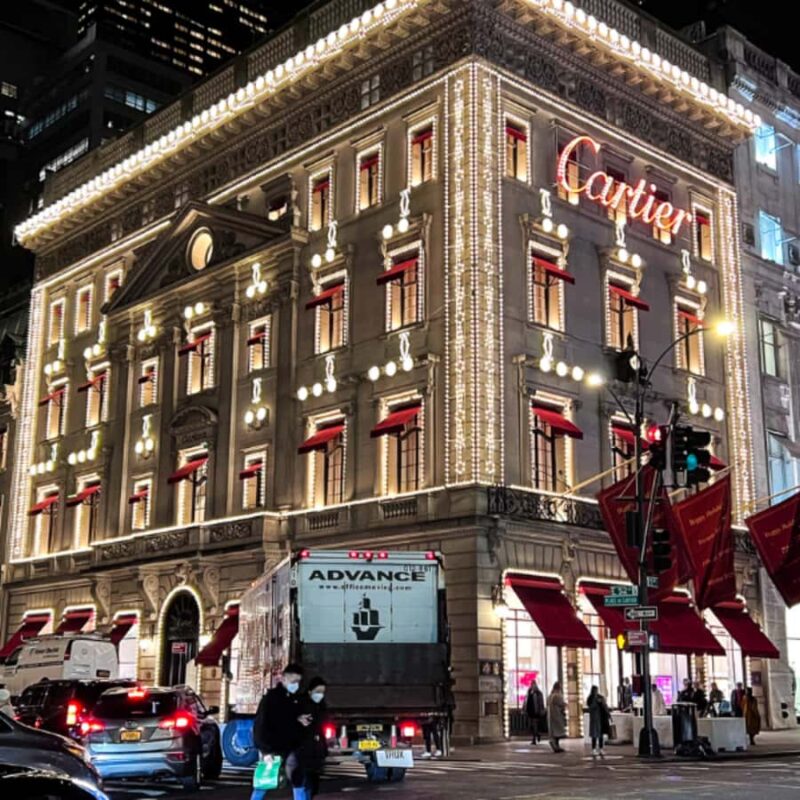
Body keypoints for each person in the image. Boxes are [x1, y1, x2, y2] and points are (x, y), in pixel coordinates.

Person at [251, 663, 312, 800]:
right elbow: (260, 726)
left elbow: (290, 719)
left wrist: (300, 720)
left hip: (292, 747)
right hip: (273, 747)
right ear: (283, 679)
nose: (295, 685)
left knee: (298, 779)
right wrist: (265, 751)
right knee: (265, 781)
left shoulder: (296, 699)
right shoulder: (271, 699)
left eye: (298, 681)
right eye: (293, 681)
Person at [299, 677, 329, 797]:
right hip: (304, 748)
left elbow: (322, 724)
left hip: (317, 749)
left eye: (322, 692)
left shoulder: (321, 706)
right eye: (318, 691)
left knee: (313, 781)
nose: (320, 695)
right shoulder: (302, 704)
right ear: (310, 691)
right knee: (305, 781)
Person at [586, 685, 610, 758]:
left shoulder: (600, 697)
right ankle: (594, 748)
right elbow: (590, 707)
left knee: (600, 735)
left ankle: (600, 748)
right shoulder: (591, 698)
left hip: (601, 718)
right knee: (594, 735)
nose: (596, 692)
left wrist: (607, 712)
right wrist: (596, 702)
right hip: (594, 719)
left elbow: (605, 706)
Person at [547, 681, 567, 753]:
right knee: (557, 732)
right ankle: (555, 745)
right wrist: (565, 705)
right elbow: (561, 704)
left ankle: (555, 745)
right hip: (557, 715)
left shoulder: (550, 696)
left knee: (554, 731)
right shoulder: (557, 696)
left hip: (551, 716)